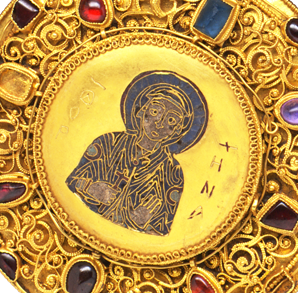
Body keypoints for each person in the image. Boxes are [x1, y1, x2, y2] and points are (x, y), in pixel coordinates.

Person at [65, 71, 210, 237]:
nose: (159, 123)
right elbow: (72, 183)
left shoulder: (172, 173)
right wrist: (89, 188)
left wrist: (141, 223)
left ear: (177, 131)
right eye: (155, 112)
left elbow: (162, 232)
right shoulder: (107, 143)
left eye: (171, 120)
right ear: (141, 111)